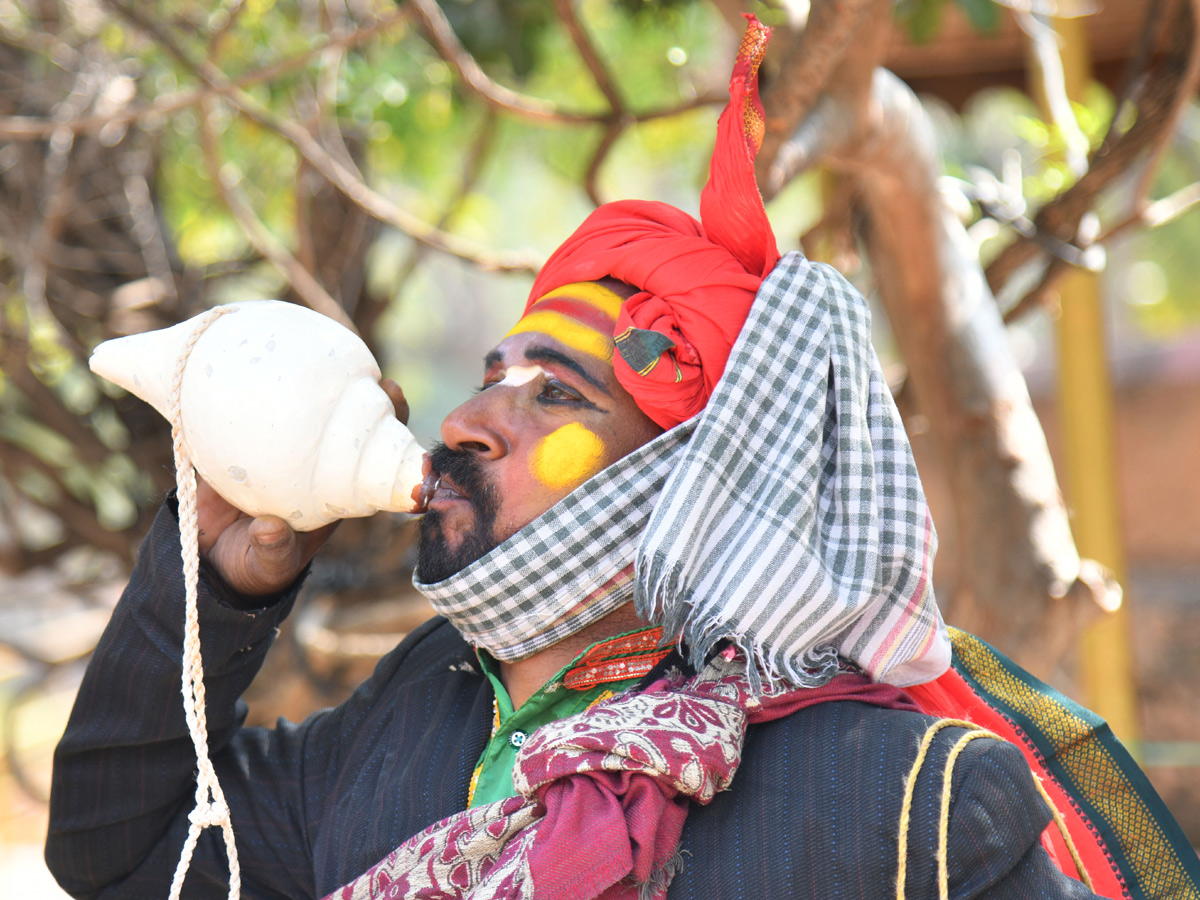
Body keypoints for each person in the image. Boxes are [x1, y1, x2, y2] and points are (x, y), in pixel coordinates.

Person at [46, 17, 1197, 900]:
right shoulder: (416, 720)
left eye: (556, 394)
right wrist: (216, 570)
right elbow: (125, 848)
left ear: (694, 481)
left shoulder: (908, 800)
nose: (464, 420)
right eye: (493, 374)